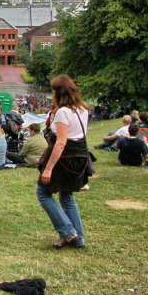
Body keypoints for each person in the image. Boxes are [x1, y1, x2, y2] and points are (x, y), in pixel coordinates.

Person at [37, 75, 92, 250]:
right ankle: (78, 238)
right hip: (80, 157)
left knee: (43, 193)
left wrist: (48, 169)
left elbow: (61, 142)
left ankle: (68, 231)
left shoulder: (63, 112)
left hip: (64, 159)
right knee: (67, 196)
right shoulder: (83, 109)